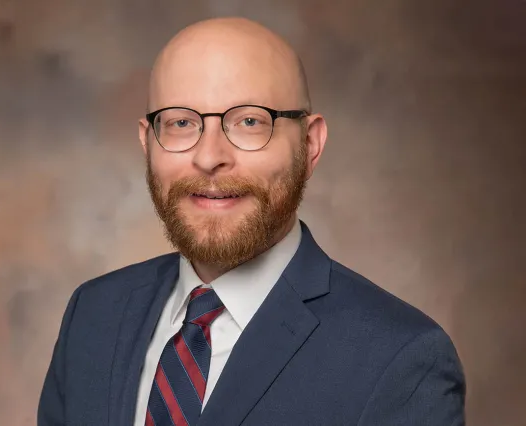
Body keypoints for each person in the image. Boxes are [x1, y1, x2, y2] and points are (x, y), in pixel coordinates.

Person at [38, 17, 466, 426]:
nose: (209, 157)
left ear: (310, 145)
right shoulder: (93, 315)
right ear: (147, 142)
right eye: (181, 123)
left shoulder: (401, 360)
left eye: (249, 121)